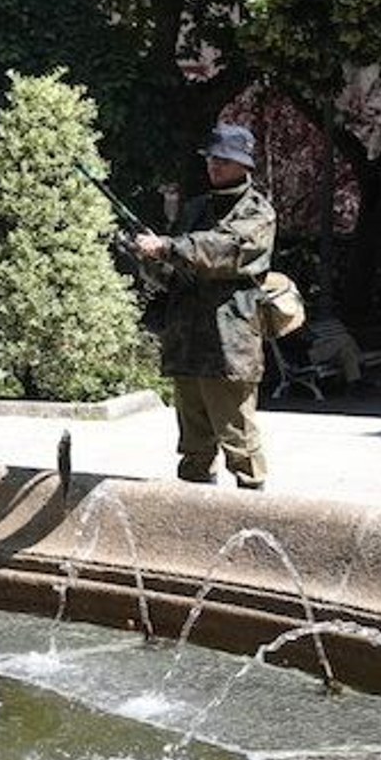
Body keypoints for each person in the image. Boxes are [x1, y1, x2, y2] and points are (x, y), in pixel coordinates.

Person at [135, 124, 276, 490]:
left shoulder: (257, 213)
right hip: (186, 341)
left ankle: (253, 511)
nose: (214, 165)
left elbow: (224, 251)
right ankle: (192, 513)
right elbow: (174, 274)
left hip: (229, 344)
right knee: (193, 446)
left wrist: (168, 247)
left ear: (244, 165)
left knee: (239, 443)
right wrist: (147, 258)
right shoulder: (195, 208)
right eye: (212, 158)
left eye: (224, 160)